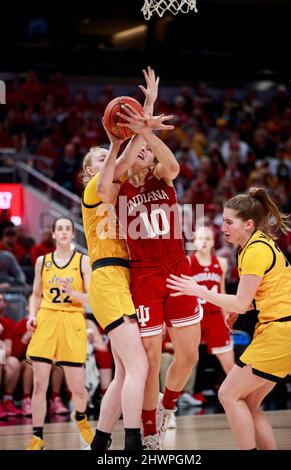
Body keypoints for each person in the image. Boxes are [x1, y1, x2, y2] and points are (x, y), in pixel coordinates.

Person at [167, 187, 291, 450]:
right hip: (287, 330)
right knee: (249, 404)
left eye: (229, 222)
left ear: (248, 224)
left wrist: (199, 291)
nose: (223, 227)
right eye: (223, 221)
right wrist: (242, 309)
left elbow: (240, 299)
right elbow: (263, 294)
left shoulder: (255, 251)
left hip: (280, 332)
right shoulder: (254, 245)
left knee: (227, 394)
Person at [81, 67, 163, 451]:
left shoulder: (116, 183)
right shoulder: (94, 192)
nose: (105, 163)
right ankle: (132, 445)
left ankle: (99, 444)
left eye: (105, 158)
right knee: (141, 367)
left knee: (123, 373)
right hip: (107, 280)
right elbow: (120, 159)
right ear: (88, 173)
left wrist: (145, 109)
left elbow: (134, 156)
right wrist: (114, 143)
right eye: (97, 161)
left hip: (122, 280)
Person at [117, 104, 201, 449]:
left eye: (150, 150)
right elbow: (116, 167)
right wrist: (135, 133)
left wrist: (147, 130)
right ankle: (149, 427)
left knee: (189, 356)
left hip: (177, 267)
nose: (146, 151)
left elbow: (176, 165)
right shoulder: (118, 184)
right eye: (140, 148)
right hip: (145, 274)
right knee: (151, 357)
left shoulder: (163, 177)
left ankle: (169, 403)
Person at [26, 217, 93, 450]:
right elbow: (35, 294)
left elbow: (93, 298)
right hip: (47, 319)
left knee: (77, 388)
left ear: (73, 234)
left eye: (68, 229)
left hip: (72, 319)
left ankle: (81, 418)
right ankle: (37, 437)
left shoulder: (83, 261)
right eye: (59, 229)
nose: (64, 232)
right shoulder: (42, 262)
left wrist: (74, 293)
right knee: (39, 384)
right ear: (53, 234)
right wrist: (32, 314)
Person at [189, 226, 235, 374]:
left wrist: (227, 319)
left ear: (213, 242)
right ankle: (178, 396)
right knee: (185, 361)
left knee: (230, 366)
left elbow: (222, 292)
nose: (204, 242)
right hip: (195, 317)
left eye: (207, 239)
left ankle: (239, 394)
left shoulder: (221, 262)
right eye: (200, 238)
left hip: (215, 316)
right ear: (194, 242)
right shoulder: (187, 262)